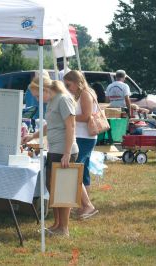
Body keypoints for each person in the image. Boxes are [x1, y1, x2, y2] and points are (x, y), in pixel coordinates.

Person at [23, 76, 78, 237]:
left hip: (64, 151)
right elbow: (50, 125)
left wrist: (67, 153)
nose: (38, 99)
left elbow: (71, 126)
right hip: (55, 149)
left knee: (64, 189)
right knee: (53, 187)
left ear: (45, 90)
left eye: (38, 96)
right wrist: (33, 136)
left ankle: (64, 228)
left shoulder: (63, 99)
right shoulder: (53, 101)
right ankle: (57, 224)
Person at [64, 70, 99, 220]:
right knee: (82, 171)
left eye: (68, 85)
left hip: (85, 137)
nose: (67, 88)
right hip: (82, 136)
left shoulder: (85, 94)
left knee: (74, 170)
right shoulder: (80, 93)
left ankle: (87, 205)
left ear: (77, 82)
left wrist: (68, 117)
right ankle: (83, 205)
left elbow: (86, 116)